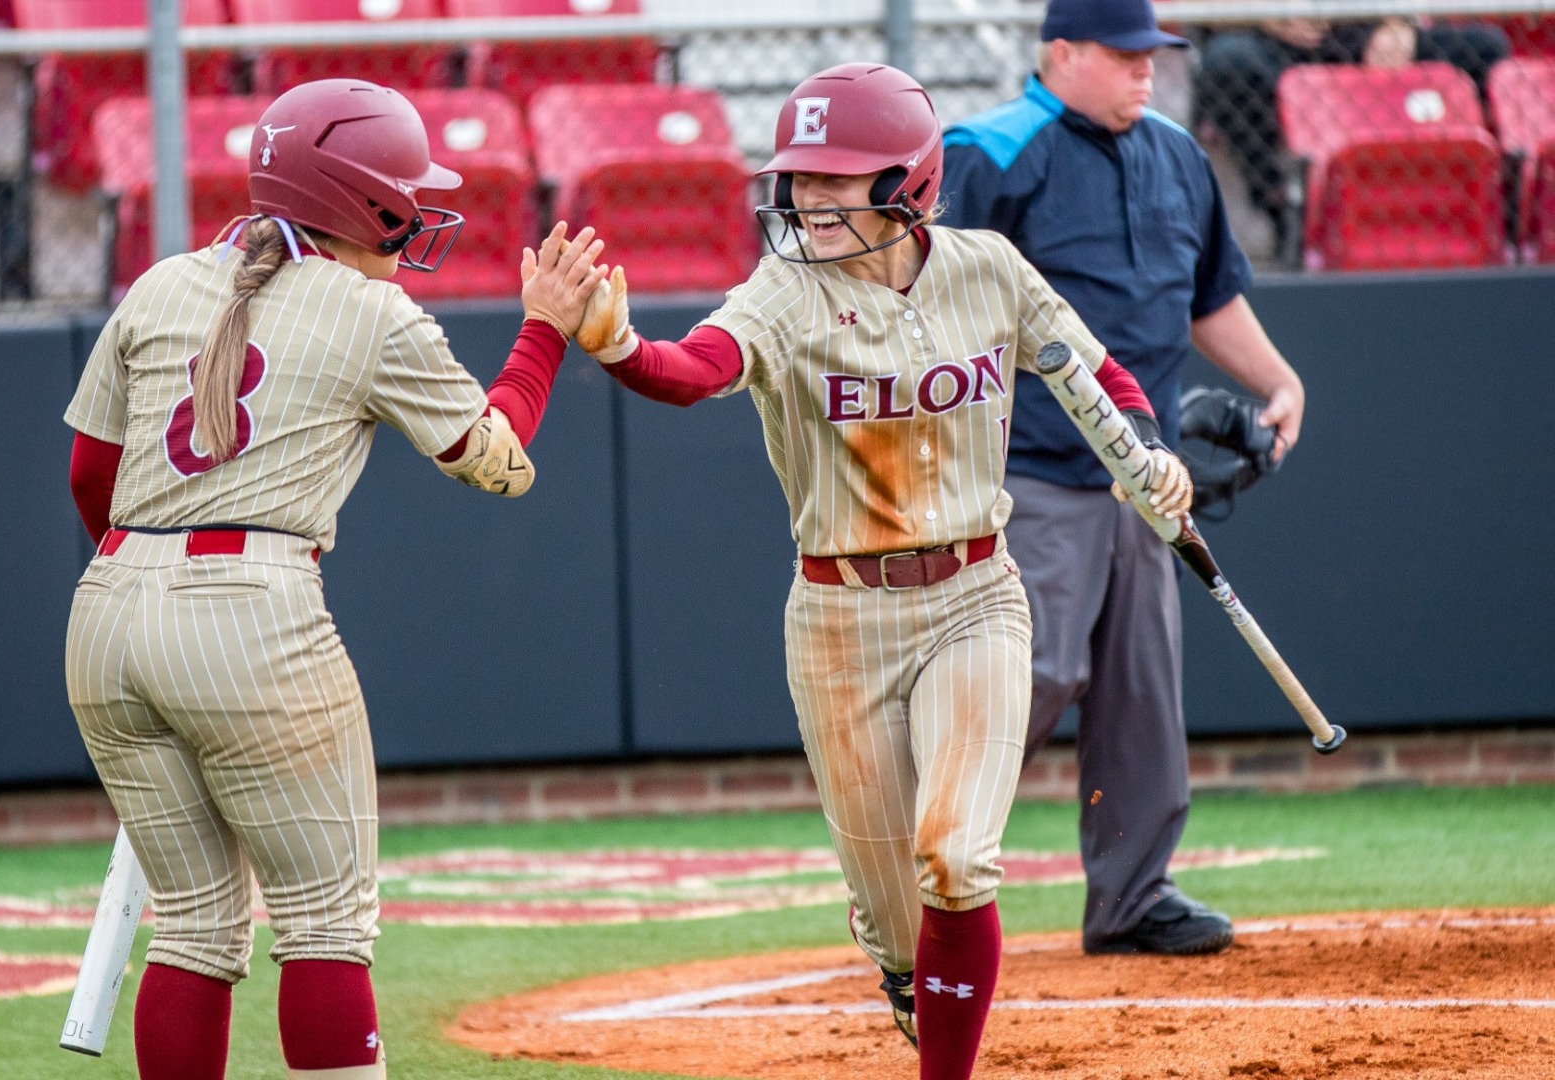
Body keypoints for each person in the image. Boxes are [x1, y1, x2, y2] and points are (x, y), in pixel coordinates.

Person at [571, 62, 1191, 1080]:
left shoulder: (987, 268)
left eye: (834, 178)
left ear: (911, 185)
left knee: (955, 855)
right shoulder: (783, 292)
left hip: (976, 596)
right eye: (798, 178)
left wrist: (1148, 456)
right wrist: (620, 346)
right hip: (838, 620)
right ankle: (901, 958)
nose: (806, 198)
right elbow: (697, 373)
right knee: (902, 916)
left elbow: (1093, 373)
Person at [61, 78, 606, 1080]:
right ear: (366, 204)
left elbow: (90, 476)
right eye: (405, 197)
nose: (418, 213)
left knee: (192, 928)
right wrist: (544, 329)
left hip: (107, 609)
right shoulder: (374, 312)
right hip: (251, 610)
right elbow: (498, 461)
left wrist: (158, 589)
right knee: (323, 925)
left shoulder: (162, 283)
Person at [939, 0, 1307, 958]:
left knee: (1140, 692)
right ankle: (917, 870)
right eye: (1124, 53)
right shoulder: (989, 150)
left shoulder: (1177, 153)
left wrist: (1273, 378)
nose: (1148, 71)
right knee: (1035, 673)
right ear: (1060, 52)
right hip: (1029, 471)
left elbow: (1207, 295)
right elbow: (918, 295)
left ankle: (1134, 895)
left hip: (1146, 476)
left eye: (1154, 54)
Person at [1194, 12, 1509, 253]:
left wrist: (1398, 23)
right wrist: (1262, 13)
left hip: (1364, 33)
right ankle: (1286, 207)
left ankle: (1489, 215)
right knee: (1228, 62)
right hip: (1272, 37)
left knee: (1487, 47)